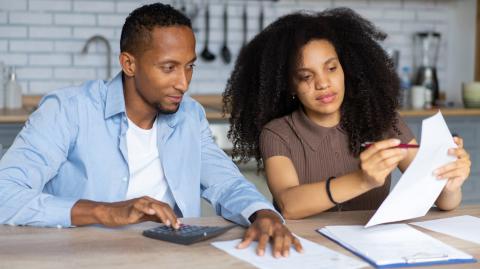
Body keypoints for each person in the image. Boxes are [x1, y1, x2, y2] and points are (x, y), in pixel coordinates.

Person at [0, 3, 302, 257]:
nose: (183, 83)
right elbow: (6, 195)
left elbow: (226, 183)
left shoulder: (190, 116)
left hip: (167, 256)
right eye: (169, 68)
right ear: (129, 64)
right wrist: (105, 211)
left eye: (189, 67)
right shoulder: (68, 110)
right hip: (80, 256)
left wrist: (263, 214)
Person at [222, 8, 471, 219]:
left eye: (331, 68)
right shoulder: (278, 133)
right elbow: (289, 205)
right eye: (306, 76)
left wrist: (450, 183)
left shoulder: (384, 121)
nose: (323, 83)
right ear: (289, 85)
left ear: (346, 68)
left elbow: (442, 200)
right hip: (307, 250)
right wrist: (362, 180)